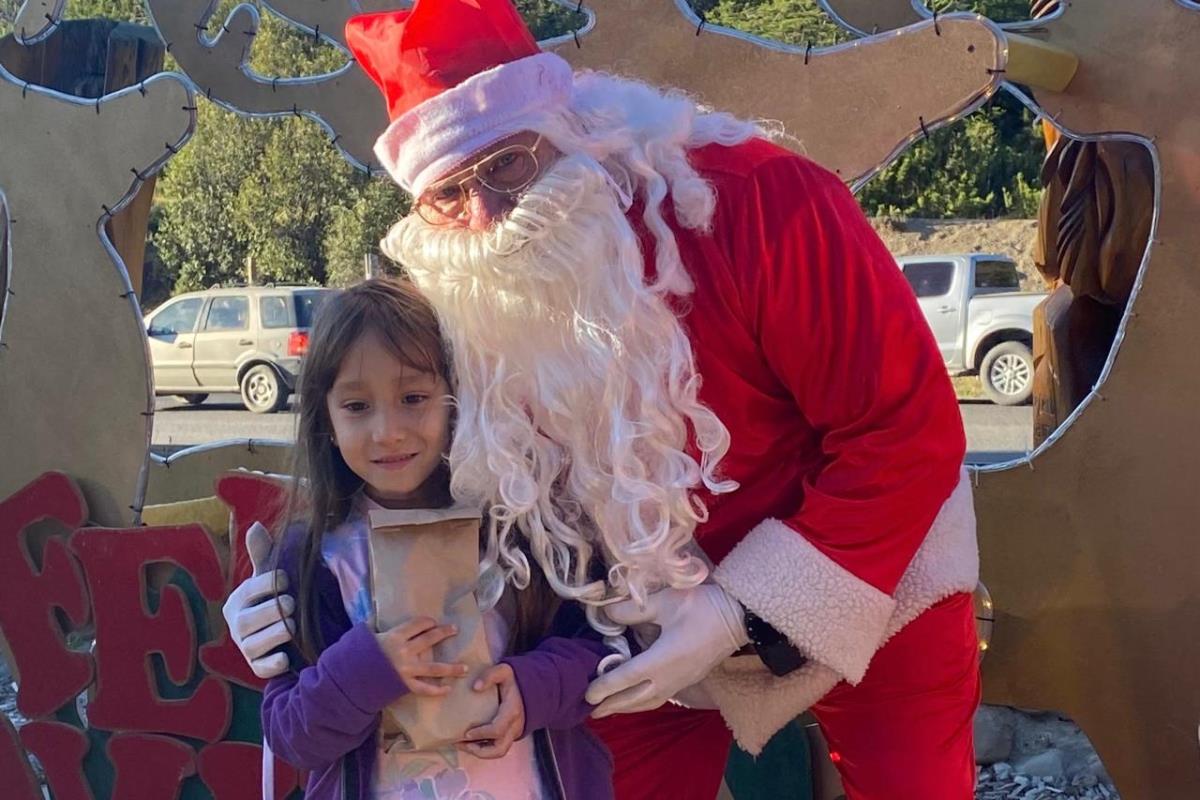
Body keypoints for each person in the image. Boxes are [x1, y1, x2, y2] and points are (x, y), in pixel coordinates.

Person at [225, 1, 982, 797]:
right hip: (633, 624)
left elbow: (905, 432)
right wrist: (285, 595)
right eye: (449, 194)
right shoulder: (455, 291)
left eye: (508, 166)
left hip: (866, 574)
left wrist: (736, 611)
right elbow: (419, 458)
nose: (489, 218)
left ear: (570, 127)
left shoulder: (760, 200)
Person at [257, 279, 616, 800]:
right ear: (325, 420)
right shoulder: (316, 556)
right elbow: (292, 734)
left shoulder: (518, 522)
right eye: (357, 406)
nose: (388, 430)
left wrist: (531, 689)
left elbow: (601, 647)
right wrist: (367, 669)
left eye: (413, 398)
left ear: (457, 400)